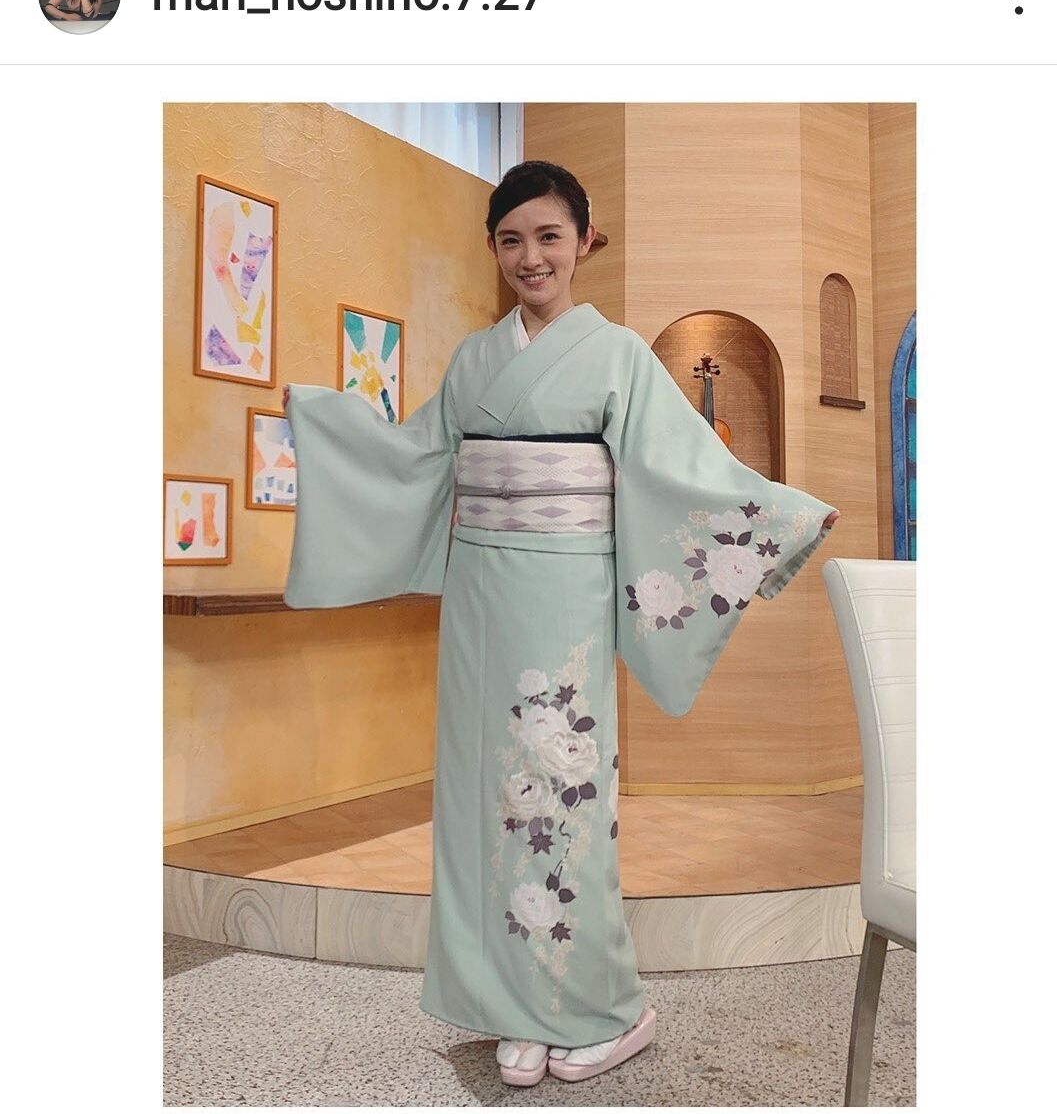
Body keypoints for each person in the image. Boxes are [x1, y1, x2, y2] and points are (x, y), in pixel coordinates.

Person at [282, 161, 840, 1087]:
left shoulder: (617, 355)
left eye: (548, 236)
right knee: (479, 797)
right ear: (493, 248)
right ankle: (514, 1005)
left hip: (566, 594)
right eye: (511, 239)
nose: (530, 256)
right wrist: (325, 422)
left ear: (584, 240)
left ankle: (608, 1007)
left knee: (559, 791)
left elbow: (683, 470)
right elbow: (415, 459)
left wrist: (778, 515)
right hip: (479, 598)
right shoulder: (475, 360)